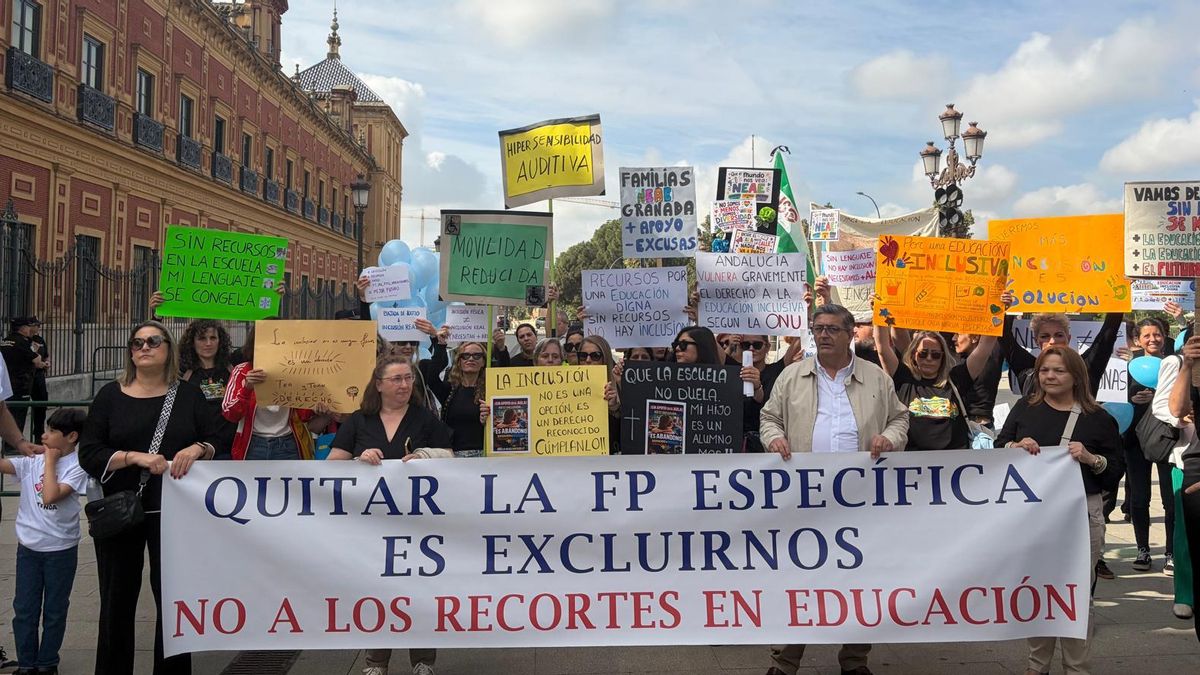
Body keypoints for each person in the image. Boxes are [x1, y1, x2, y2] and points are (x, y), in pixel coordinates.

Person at [760, 304, 908, 675]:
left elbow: (900, 418)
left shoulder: (876, 378)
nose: (823, 335)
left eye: (832, 329)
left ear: (848, 334)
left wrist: (889, 438)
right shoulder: (791, 377)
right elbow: (769, 418)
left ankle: (855, 661)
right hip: (803, 499)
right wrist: (775, 438)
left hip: (860, 500)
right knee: (798, 580)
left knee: (860, 580)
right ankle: (784, 661)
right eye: (818, 328)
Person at [79, 321, 220, 675]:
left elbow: (217, 434)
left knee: (172, 599)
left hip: (173, 512)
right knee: (116, 600)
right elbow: (90, 452)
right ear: (130, 351)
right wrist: (133, 457)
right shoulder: (111, 395)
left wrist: (199, 447)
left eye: (153, 341)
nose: (145, 347)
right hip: (121, 510)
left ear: (168, 348)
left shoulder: (187, 395)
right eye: (137, 342)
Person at [994, 346, 1123, 674]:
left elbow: (1113, 472)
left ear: (1076, 376)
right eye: (1044, 370)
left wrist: (1091, 458)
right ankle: (1037, 666)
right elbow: (999, 449)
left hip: (1081, 514)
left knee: (1075, 592)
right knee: (1039, 590)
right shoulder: (1026, 408)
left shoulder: (1099, 419)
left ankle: (1076, 667)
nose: (1050, 376)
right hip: (1034, 517)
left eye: (1058, 371)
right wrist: (1016, 447)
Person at [326, 356, 451, 675]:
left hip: (418, 521)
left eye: (408, 378)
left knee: (419, 591)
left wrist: (425, 455)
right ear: (378, 384)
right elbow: (331, 462)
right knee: (378, 591)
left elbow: (450, 456)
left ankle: (423, 660)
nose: (404, 385)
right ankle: (376, 662)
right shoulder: (358, 420)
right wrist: (358, 458)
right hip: (372, 524)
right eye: (396, 379)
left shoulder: (424, 418)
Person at [1, 408, 89, 675]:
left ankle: (47, 662)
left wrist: (49, 462)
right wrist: (24, 447)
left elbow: (51, 495)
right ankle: (27, 664)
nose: (44, 436)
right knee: (24, 609)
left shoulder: (77, 466)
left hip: (60, 549)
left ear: (72, 436)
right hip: (28, 548)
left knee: (54, 610)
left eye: (51, 432)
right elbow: (6, 465)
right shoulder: (32, 460)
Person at [221, 325, 336, 460]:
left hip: (289, 443)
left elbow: (305, 415)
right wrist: (247, 388)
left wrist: (318, 408)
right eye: (268, 341)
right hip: (252, 444)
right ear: (256, 344)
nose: (274, 346)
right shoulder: (242, 371)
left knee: (292, 482)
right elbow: (230, 414)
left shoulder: (298, 371)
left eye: (281, 341)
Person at [875, 327, 997, 450]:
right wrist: (880, 313)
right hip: (911, 463)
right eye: (923, 353)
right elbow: (882, 348)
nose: (929, 358)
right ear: (914, 355)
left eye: (936, 355)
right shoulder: (904, 378)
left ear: (943, 357)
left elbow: (984, 348)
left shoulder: (957, 379)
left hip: (955, 461)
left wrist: (996, 313)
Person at [1124, 317, 1176, 572]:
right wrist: (1133, 399)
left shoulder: (1175, 364)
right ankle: (1142, 549)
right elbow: (1115, 400)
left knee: (1170, 499)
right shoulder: (1126, 365)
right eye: (1147, 335)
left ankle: (1171, 553)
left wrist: (1158, 396)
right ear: (1137, 340)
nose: (1153, 339)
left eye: (1157, 334)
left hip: (1167, 439)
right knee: (1139, 497)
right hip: (1134, 441)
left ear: (1165, 336)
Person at [1154, 326, 1197, 620]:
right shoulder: (1176, 362)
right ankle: (1185, 593)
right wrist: (1180, 418)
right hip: (1187, 459)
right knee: (1185, 532)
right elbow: (1165, 408)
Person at [178, 319, 236, 458]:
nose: (208, 343)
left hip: (230, 450)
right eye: (202, 338)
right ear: (192, 342)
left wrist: (272, 301)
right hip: (193, 451)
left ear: (220, 341)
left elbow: (257, 345)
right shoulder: (181, 372)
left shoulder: (233, 367)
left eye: (213, 338)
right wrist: (157, 317)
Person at [427, 342, 487, 459]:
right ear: (459, 361)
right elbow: (432, 377)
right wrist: (440, 345)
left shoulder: (491, 390)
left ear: (483, 362)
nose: (471, 359)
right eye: (465, 355)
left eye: (477, 356)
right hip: (454, 456)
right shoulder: (449, 390)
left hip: (484, 455)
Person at [1, 317, 45, 451]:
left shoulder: (5, 341)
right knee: (18, 413)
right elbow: (36, 360)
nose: (30, 329)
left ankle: (7, 444)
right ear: (23, 328)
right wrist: (36, 352)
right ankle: (12, 445)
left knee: (8, 409)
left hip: (7, 382)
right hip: (21, 383)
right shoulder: (22, 342)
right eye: (28, 326)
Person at [953, 331, 1005, 428]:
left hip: (982, 427)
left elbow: (996, 328)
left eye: (958, 334)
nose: (953, 338)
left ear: (975, 337)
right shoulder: (955, 361)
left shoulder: (993, 353)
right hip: (959, 424)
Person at [739, 334, 773, 453]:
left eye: (757, 345)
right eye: (746, 345)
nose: (751, 349)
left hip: (765, 443)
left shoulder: (777, 370)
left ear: (768, 347)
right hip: (737, 443)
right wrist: (700, 318)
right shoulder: (732, 370)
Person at [29, 320, 48, 440]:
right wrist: (38, 361)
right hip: (28, 377)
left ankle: (38, 434)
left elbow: (46, 354)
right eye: (36, 325)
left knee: (41, 405)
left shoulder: (40, 339)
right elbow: (32, 359)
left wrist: (46, 362)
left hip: (39, 376)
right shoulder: (24, 341)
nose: (39, 327)